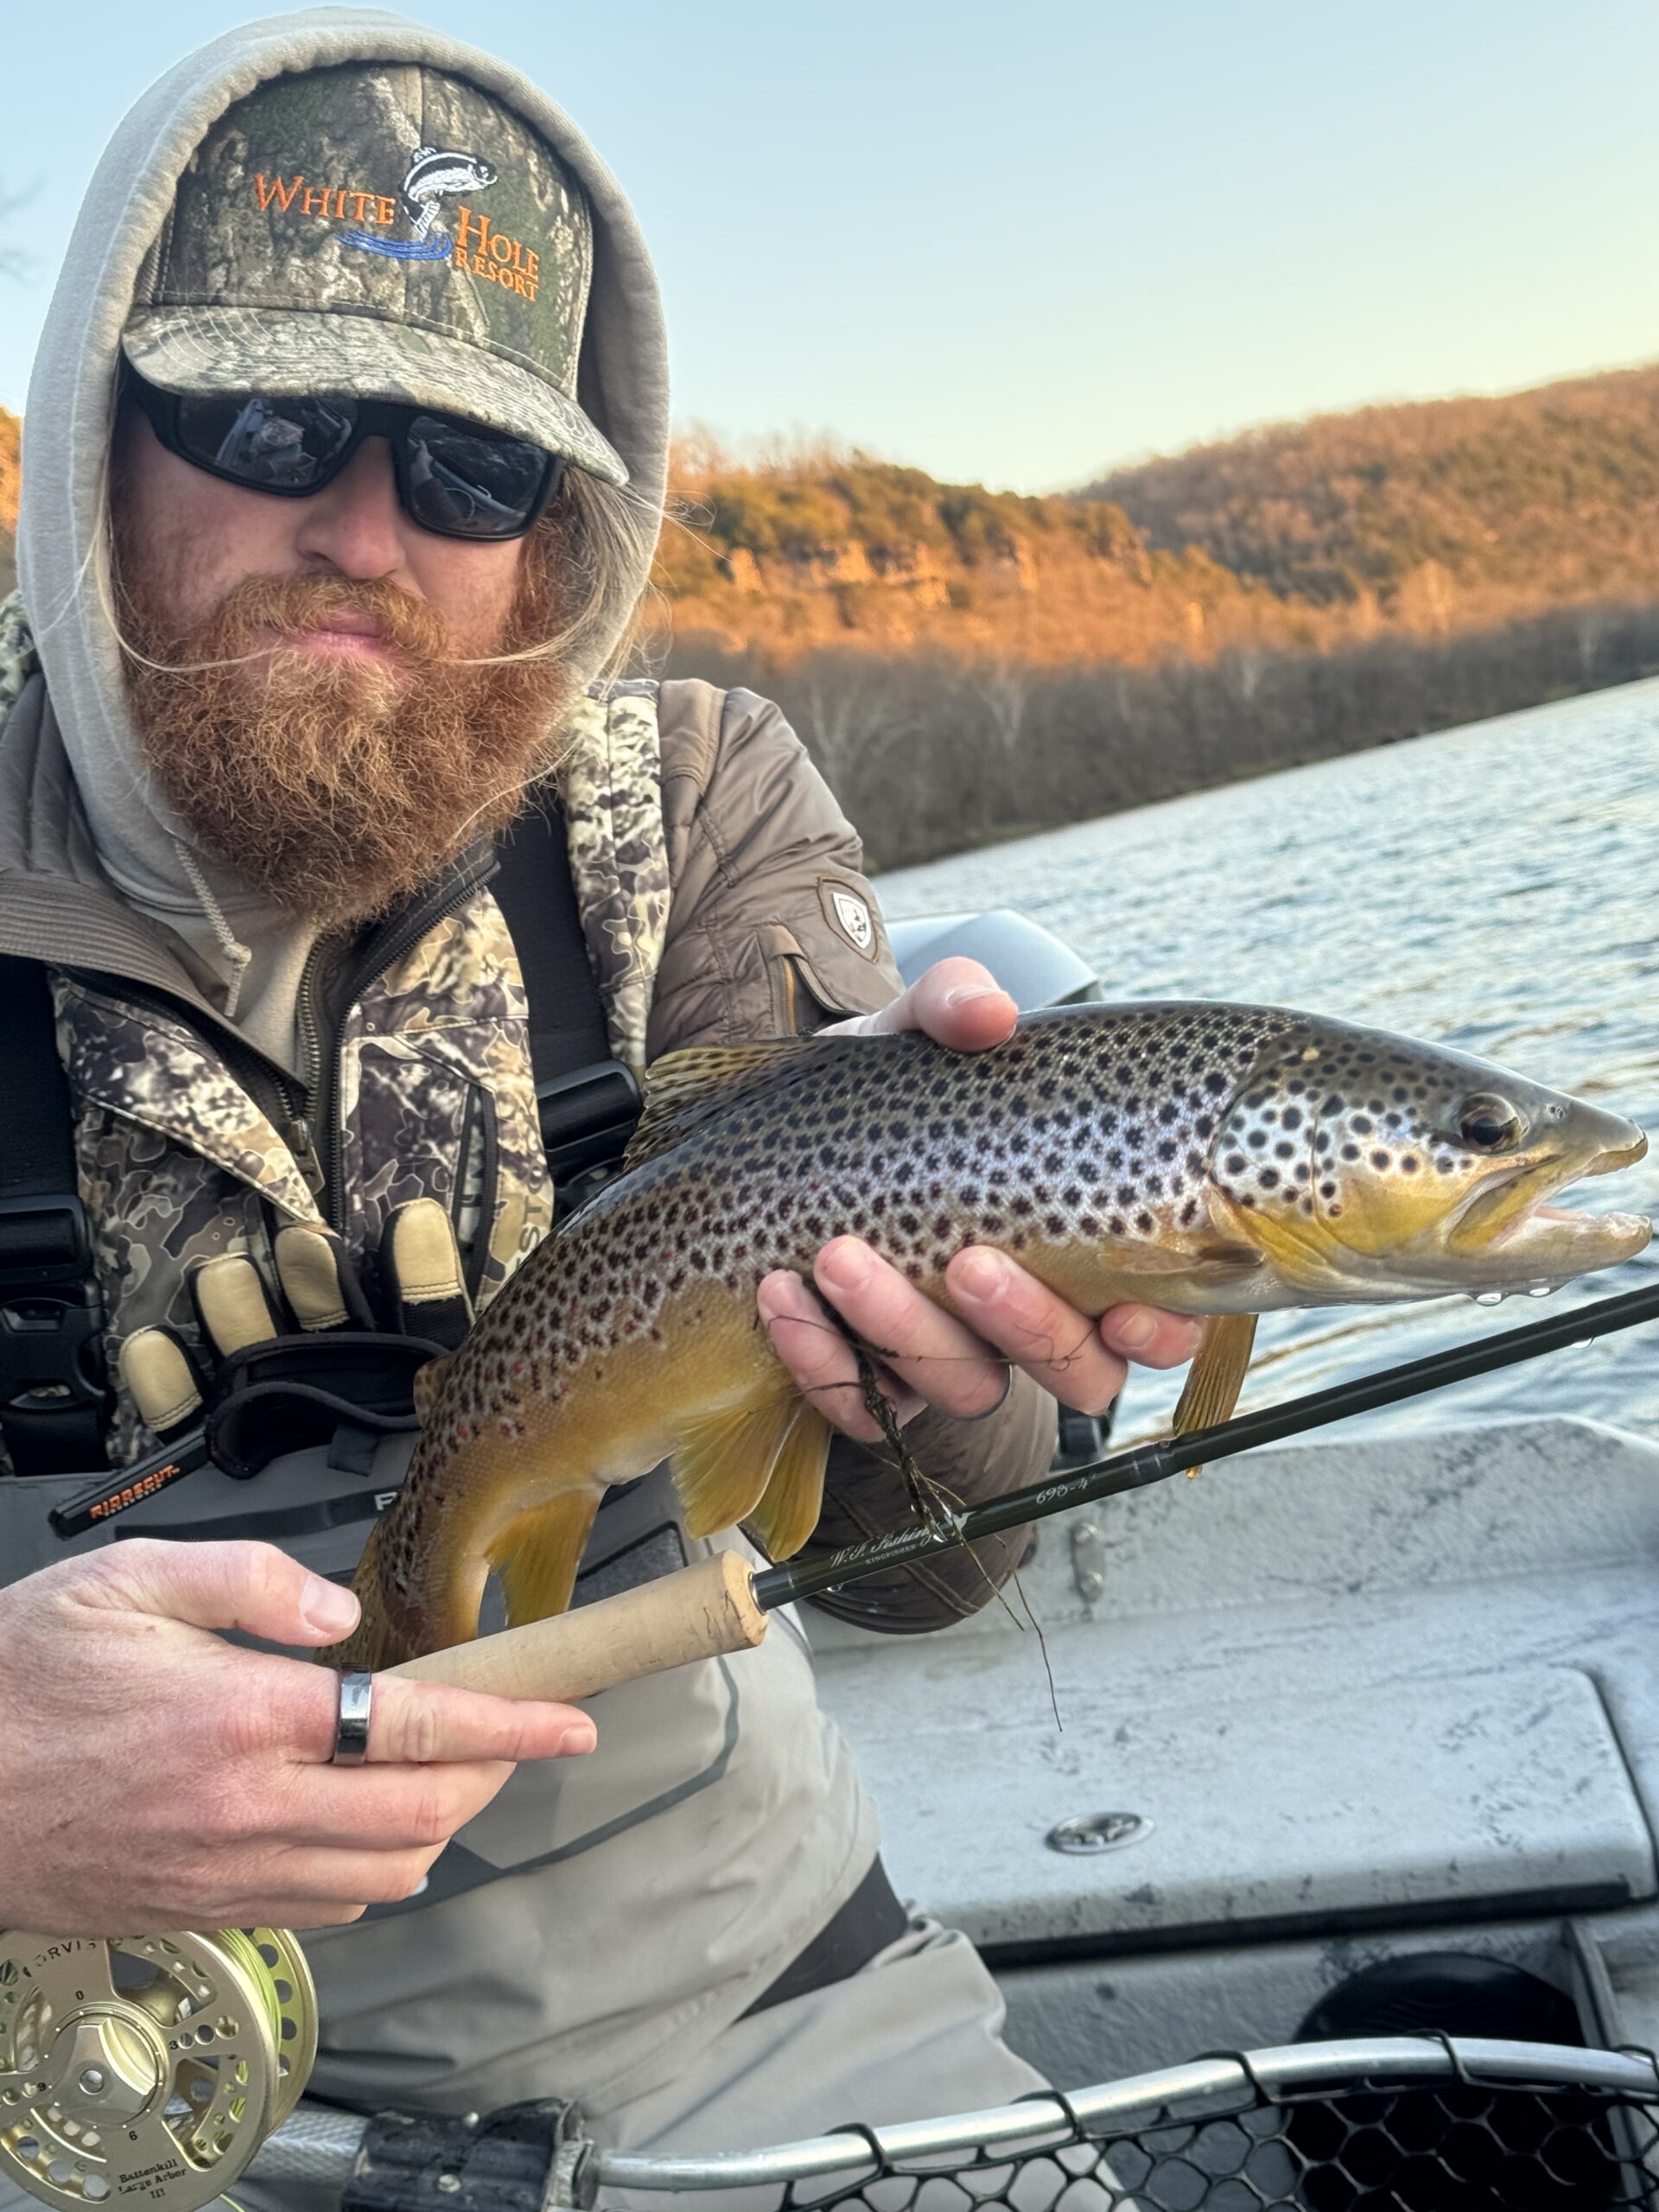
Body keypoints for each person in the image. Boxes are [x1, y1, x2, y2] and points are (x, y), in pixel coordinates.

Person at [0, 8, 1200, 2195]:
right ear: (95, 439)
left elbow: (933, 1578)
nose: (365, 528)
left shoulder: (694, 807)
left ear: (562, 534)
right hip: (87, 2088)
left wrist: (956, 1383)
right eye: (271, 418)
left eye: (474, 469)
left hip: (770, 2010)